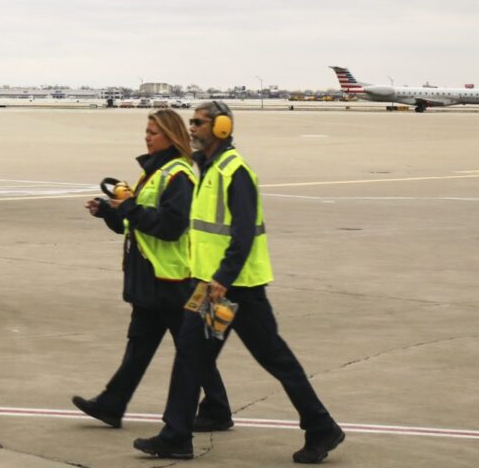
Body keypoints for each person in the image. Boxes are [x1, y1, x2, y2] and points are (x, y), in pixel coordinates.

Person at [134, 100, 344, 463]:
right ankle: (176, 436)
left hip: (236, 289)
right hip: (212, 287)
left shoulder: (235, 171)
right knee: (191, 356)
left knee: (274, 358)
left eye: (199, 122)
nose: (192, 128)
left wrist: (223, 278)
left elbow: (243, 234)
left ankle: (321, 426)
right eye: (191, 122)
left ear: (221, 128)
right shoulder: (207, 168)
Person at [72, 110, 233, 432]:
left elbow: (171, 227)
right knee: (141, 345)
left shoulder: (178, 175)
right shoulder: (156, 172)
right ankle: (112, 404)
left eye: (153, 132)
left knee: (188, 348)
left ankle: (216, 408)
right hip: (152, 278)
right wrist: (110, 213)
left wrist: (129, 207)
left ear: (170, 137)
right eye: (146, 131)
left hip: (172, 280)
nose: (147, 137)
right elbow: (136, 224)